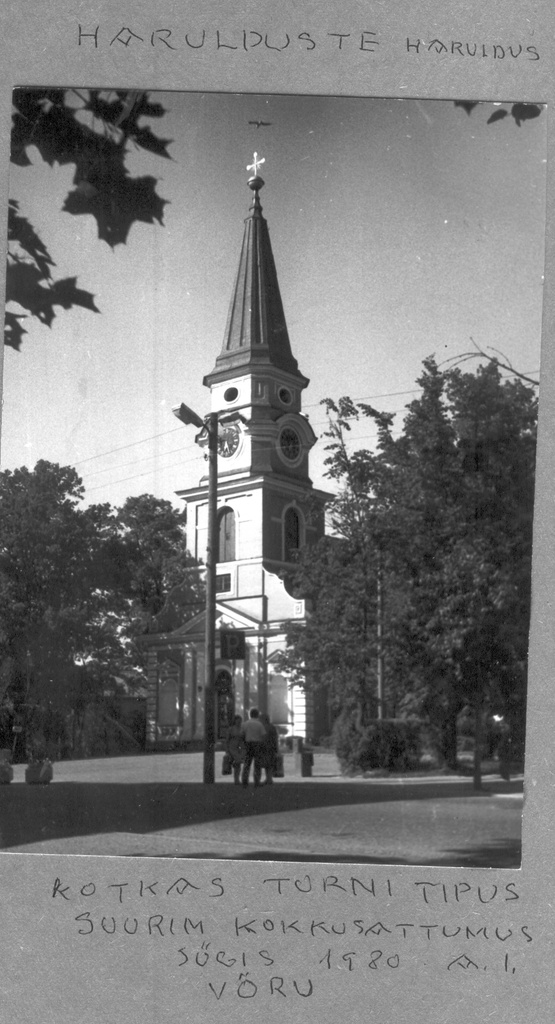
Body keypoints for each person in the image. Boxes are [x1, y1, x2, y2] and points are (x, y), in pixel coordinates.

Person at [241, 708, 266, 787]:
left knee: (247, 763)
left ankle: (245, 780)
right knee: (257, 764)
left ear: (250, 715)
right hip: (257, 744)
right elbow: (263, 735)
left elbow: (242, 734)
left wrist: (244, 743)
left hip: (248, 743)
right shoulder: (259, 724)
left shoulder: (245, 724)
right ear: (257, 715)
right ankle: (257, 781)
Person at [225, 715, 245, 785]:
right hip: (232, 747)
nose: (239, 722)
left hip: (240, 748)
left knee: (238, 763)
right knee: (238, 762)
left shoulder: (242, 729)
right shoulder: (231, 729)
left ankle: (236, 779)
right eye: (238, 720)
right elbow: (227, 740)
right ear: (235, 721)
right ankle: (236, 779)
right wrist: (227, 750)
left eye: (240, 720)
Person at [260, 712, 279, 785]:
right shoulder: (272, 727)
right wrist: (276, 747)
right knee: (269, 764)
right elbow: (275, 738)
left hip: (265, 747)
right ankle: (269, 778)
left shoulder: (264, 727)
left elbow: (263, 737)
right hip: (271, 747)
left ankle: (269, 778)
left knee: (267, 764)